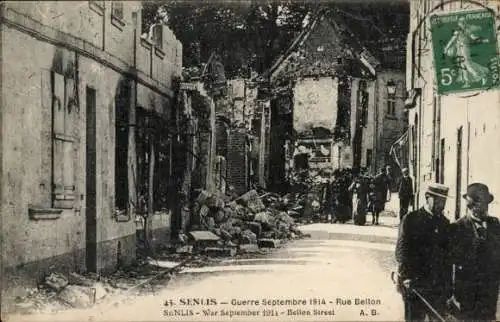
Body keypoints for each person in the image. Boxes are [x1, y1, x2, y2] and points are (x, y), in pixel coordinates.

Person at [395, 183, 452, 322]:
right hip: (415, 285)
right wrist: (406, 277)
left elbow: (447, 257)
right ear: (427, 198)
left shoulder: (445, 223)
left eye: (444, 201)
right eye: (438, 201)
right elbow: (402, 251)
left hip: (437, 286)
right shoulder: (411, 219)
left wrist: (448, 286)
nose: (442, 205)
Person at [448, 183, 500, 321]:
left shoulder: (495, 225)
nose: (486, 207)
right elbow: (452, 261)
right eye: (482, 203)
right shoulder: (457, 228)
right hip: (467, 293)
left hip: (490, 292)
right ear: (470, 204)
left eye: (487, 203)